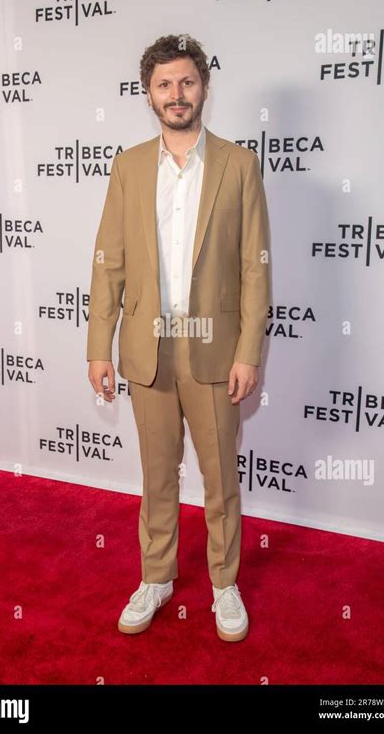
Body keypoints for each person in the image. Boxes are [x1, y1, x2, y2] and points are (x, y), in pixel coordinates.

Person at [87, 34, 271, 642]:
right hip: (148, 347)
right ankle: (156, 577)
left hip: (214, 350)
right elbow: (109, 261)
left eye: (186, 82)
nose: (176, 94)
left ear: (204, 88)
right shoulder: (128, 165)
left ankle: (224, 585)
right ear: (148, 94)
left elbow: (253, 268)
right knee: (157, 475)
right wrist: (98, 346)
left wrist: (248, 352)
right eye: (164, 84)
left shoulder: (240, 165)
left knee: (220, 478)